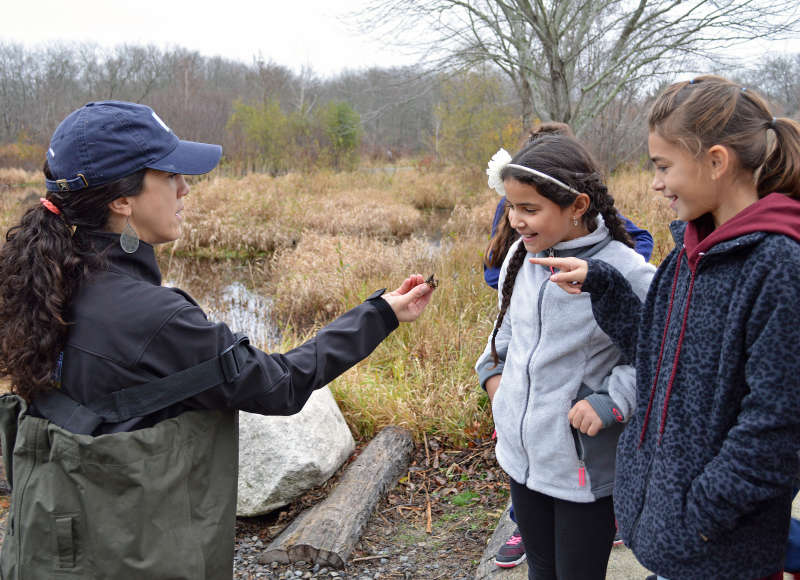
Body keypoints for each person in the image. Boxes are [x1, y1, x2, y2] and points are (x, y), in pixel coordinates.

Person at [0, 100, 435, 579]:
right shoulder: (154, 318)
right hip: (125, 552)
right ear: (122, 200)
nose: (185, 188)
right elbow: (281, 384)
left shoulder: (42, 279)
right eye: (169, 175)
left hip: (47, 540)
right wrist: (378, 315)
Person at [533, 75, 800, 580]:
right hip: (678, 546)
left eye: (663, 167)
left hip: (720, 553)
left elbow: (778, 429)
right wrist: (605, 285)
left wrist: (698, 516)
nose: (655, 183)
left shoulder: (778, 267)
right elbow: (656, 358)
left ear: (716, 162)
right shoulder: (686, 260)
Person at [475, 133, 655, 580]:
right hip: (520, 455)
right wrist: (495, 380)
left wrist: (613, 401)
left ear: (577, 205)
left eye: (529, 209)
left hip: (583, 466)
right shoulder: (522, 254)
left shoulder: (629, 271)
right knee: (541, 569)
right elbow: (507, 329)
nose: (515, 220)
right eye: (511, 206)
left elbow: (659, 356)